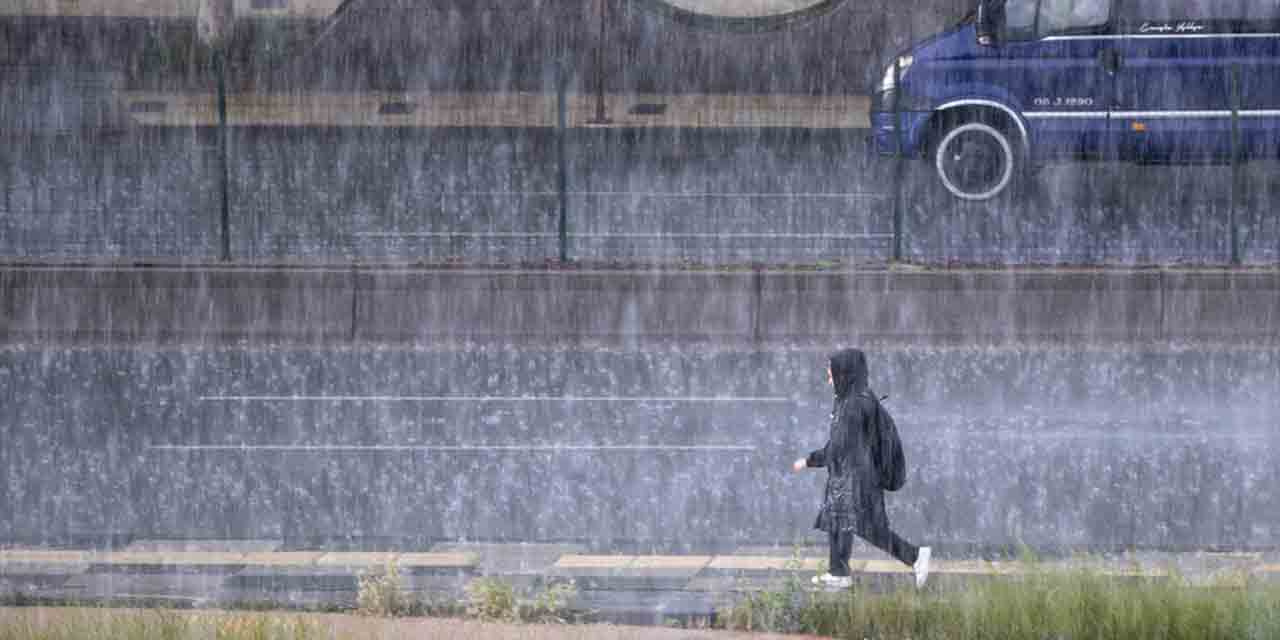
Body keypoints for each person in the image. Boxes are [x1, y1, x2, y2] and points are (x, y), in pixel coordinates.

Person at [793, 348, 930, 589]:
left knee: (870, 529)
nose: (828, 374)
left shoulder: (854, 405)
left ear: (844, 373)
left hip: (857, 481)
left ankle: (916, 556)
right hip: (847, 477)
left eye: (831, 370)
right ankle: (838, 572)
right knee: (837, 522)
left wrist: (809, 460)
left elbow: (838, 446)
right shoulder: (852, 399)